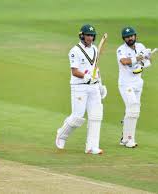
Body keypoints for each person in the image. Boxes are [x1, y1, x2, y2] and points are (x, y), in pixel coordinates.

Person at [55, 24, 107, 154]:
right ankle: (61, 134)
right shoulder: (75, 50)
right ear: (82, 36)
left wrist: (100, 85)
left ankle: (91, 147)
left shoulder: (95, 49)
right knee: (77, 117)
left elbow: (96, 69)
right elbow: (74, 71)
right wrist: (86, 77)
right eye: (88, 35)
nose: (90, 38)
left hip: (93, 87)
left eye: (92, 35)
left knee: (96, 116)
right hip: (79, 87)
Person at [116, 27, 152, 148]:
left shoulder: (141, 46)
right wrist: (138, 58)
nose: (130, 38)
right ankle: (130, 140)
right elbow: (124, 61)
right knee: (133, 107)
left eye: (131, 36)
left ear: (135, 36)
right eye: (127, 37)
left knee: (134, 112)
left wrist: (145, 60)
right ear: (124, 38)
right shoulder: (121, 49)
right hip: (126, 83)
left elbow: (147, 62)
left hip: (138, 83)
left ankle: (124, 138)